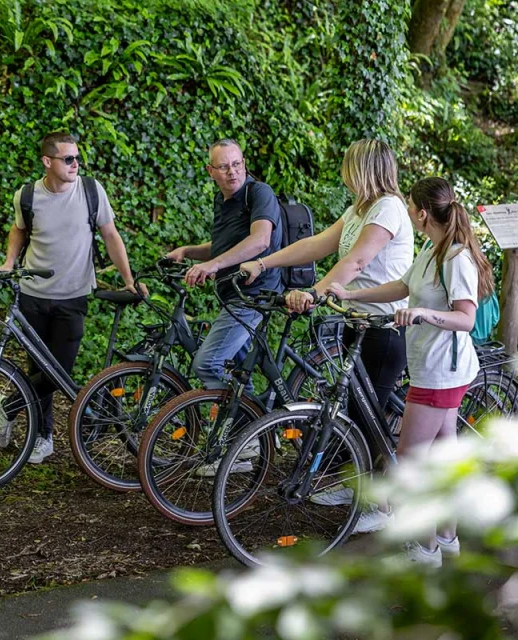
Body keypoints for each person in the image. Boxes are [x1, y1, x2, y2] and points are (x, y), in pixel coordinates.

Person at [328, 177, 494, 567]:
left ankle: (425, 549)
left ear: (421, 213)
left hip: (441, 371)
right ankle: (447, 538)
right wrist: (351, 293)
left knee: (411, 458)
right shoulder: (432, 249)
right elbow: (401, 287)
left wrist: (423, 313)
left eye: (408, 206)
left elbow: (466, 318)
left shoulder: (456, 258)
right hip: (433, 367)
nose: (405, 211)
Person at [241, 138, 413, 452]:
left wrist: (313, 293)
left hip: (383, 329)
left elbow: (356, 261)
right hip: (358, 324)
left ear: (363, 169)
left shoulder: (388, 207)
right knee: (350, 411)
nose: (343, 172)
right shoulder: (358, 209)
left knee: (364, 421)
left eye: (348, 165)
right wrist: (263, 261)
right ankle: (348, 480)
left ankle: (365, 494)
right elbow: (317, 244)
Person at [0, 131, 147, 464]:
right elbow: (19, 229)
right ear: (48, 162)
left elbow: (110, 235)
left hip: (74, 296)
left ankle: (6, 406)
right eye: (68, 159)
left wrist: (129, 280)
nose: (76, 164)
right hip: (32, 295)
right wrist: (9, 262)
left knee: (57, 370)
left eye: (77, 157)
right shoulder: (27, 196)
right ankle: (42, 436)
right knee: (38, 367)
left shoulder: (91, 191)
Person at [167, 138, 283, 391]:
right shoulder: (223, 201)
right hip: (233, 294)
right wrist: (188, 251)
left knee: (208, 364)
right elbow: (222, 247)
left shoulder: (259, 192)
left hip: (253, 295)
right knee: (237, 372)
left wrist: (213, 265)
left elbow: (260, 240)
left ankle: (250, 417)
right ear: (211, 172)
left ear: (244, 163)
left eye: (236, 164)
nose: (232, 171)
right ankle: (251, 425)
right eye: (223, 167)